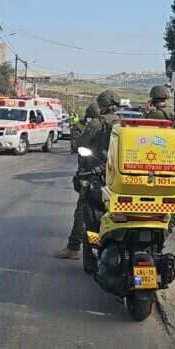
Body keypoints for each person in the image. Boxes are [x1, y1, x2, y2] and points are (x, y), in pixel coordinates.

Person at [56, 90, 120, 259]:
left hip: (95, 174)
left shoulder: (97, 124)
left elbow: (80, 144)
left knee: (83, 209)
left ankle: (74, 246)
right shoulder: (122, 123)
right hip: (117, 176)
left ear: (102, 106)